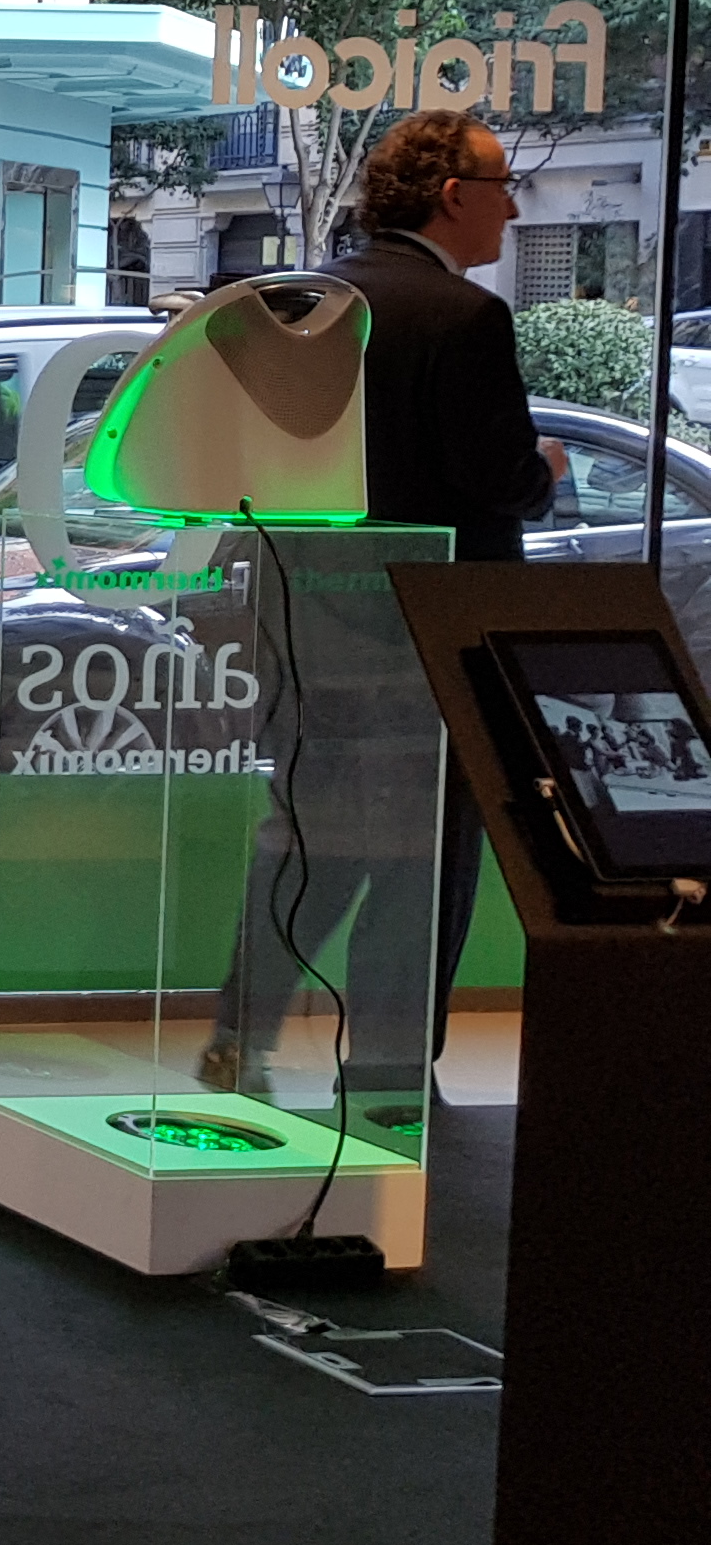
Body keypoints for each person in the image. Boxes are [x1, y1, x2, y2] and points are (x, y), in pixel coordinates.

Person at [203, 110, 560, 1099]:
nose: (511, 208)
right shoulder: (466, 319)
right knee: (422, 867)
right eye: (501, 186)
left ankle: (236, 1043)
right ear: (452, 195)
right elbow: (496, 479)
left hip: (310, 632)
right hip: (433, 645)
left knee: (308, 846)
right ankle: (389, 1073)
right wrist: (545, 471)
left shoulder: (308, 303)